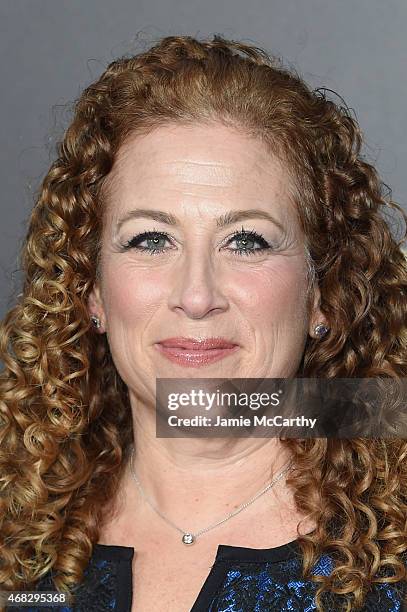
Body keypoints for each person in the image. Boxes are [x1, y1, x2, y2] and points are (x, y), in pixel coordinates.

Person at [0, 33, 406, 612]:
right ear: (90, 290)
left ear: (324, 291)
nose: (196, 296)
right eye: (150, 239)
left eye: (246, 241)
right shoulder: (18, 553)